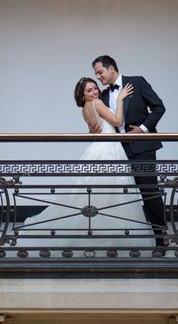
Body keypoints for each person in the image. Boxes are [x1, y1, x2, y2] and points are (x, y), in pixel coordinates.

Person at [16, 78, 154, 255]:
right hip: (108, 151)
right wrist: (119, 100)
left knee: (98, 195)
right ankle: (111, 235)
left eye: (95, 88)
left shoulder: (85, 109)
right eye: (89, 90)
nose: (95, 92)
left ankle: (99, 233)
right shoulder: (96, 103)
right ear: (83, 94)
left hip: (97, 149)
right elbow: (118, 122)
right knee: (112, 195)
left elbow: (95, 130)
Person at [92, 55, 168, 252]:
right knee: (115, 196)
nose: (98, 76)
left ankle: (161, 240)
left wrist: (143, 128)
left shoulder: (137, 82)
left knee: (149, 193)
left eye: (100, 72)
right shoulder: (103, 95)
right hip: (116, 151)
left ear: (111, 68)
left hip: (142, 148)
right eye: (96, 74)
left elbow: (159, 107)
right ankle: (116, 242)